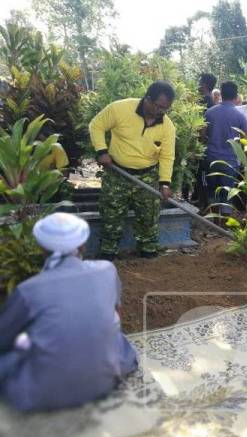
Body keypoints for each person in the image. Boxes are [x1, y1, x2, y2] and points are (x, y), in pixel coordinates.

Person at [0, 213, 138, 412]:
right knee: (119, 342)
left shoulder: (29, 290)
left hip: (41, 396)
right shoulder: (107, 270)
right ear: (82, 246)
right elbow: (116, 314)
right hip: (105, 381)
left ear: (41, 248)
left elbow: (4, 337)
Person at [90, 80, 176, 260]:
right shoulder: (120, 109)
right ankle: (108, 250)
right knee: (111, 214)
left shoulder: (167, 126)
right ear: (148, 99)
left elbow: (167, 156)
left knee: (148, 216)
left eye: (166, 109)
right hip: (117, 174)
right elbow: (96, 125)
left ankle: (147, 248)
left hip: (146, 176)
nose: (162, 112)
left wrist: (165, 183)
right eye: (159, 107)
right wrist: (101, 151)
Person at [204, 81, 247, 214]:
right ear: (236, 96)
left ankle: (213, 221)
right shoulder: (240, 117)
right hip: (230, 161)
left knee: (212, 191)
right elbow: (245, 141)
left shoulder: (210, 113)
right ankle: (223, 226)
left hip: (211, 158)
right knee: (227, 193)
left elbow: (202, 135)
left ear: (221, 94)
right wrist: (244, 162)